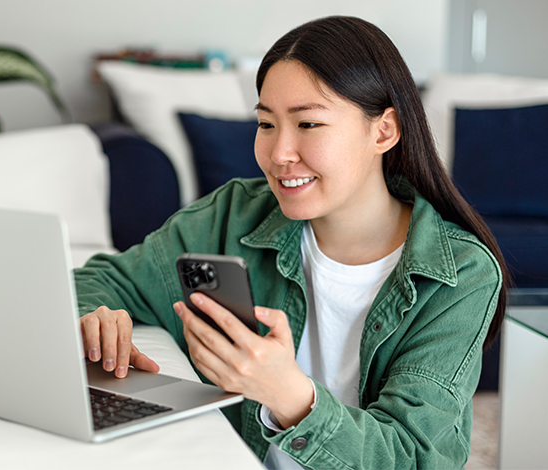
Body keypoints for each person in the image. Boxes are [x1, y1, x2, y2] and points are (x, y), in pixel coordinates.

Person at [73, 15, 509, 469]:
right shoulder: (234, 214)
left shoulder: (460, 274)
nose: (279, 153)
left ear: (383, 130)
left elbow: (413, 457)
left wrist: (289, 394)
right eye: (265, 124)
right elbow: (101, 280)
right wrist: (97, 315)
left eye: (308, 125)